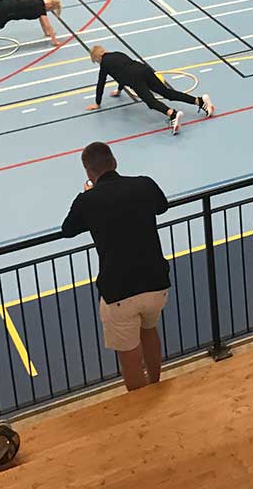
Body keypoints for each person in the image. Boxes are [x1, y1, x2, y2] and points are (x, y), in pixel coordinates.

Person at [61, 142, 171, 391]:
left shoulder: (88, 201)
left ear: (89, 173)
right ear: (115, 162)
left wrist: (87, 195)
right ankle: (156, 387)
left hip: (119, 291)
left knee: (129, 354)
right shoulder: (144, 184)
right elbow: (162, 206)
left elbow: (67, 229)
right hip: (156, 282)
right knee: (149, 331)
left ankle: (142, 403)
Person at [86, 46, 214, 135]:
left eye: (96, 61)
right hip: (143, 69)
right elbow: (120, 73)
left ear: (98, 58)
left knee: (151, 102)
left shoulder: (104, 64)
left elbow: (101, 83)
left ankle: (173, 114)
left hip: (135, 78)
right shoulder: (117, 53)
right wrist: (119, 91)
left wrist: (97, 103)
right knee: (167, 92)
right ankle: (199, 101)